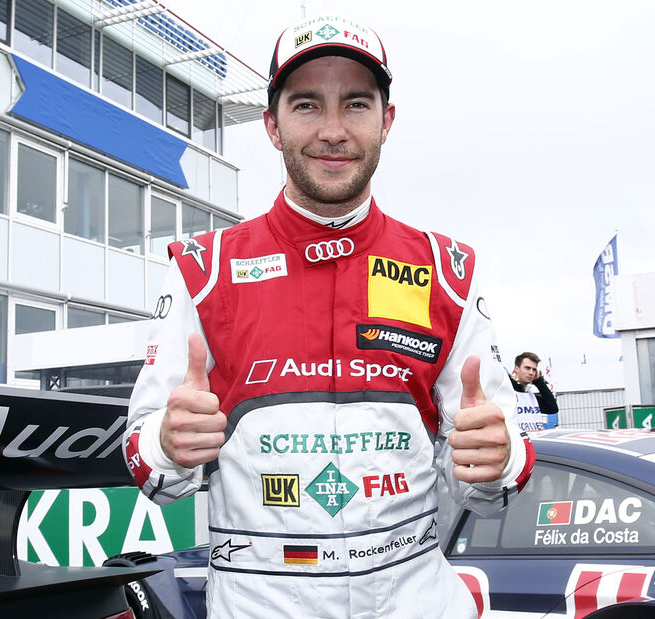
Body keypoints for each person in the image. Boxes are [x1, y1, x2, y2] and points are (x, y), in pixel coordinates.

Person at [124, 14, 534, 618]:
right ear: (272, 124)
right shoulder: (201, 269)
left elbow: (492, 475)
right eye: (308, 105)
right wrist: (165, 443)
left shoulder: (446, 270)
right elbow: (145, 463)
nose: (334, 131)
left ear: (386, 121)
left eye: (357, 104)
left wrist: (499, 460)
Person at [510, 352, 559, 429]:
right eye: (527, 368)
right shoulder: (506, 391)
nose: (531, 373)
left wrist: (539, 381)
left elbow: (552, 408)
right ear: (516, 368)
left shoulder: (530, 396)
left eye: (534, 370)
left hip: (532, 439)